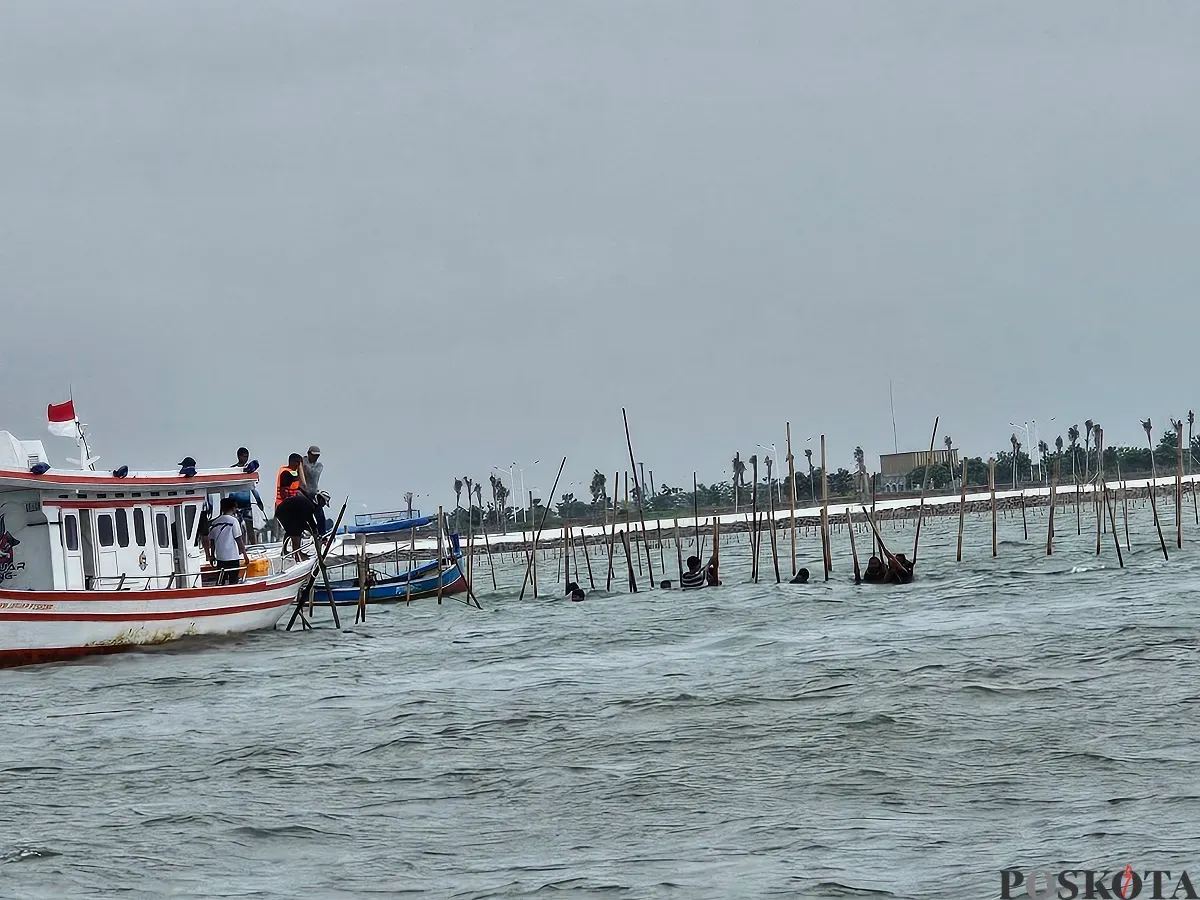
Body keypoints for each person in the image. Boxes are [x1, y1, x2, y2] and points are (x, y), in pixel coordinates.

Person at [204, 497, 251, 585]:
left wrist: (212, 555)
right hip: (232, 557)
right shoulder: (234, 521)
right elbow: (239, 539)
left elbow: (212, 542)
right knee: (233, 581)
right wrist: (245, 555)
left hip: (220, 557)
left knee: (220, 581)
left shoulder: (215, 522)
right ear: (234, 508)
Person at [274, 478, 322, 559]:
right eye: (323, 503)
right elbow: (310, 521)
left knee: (292, 529)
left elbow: (308, 522)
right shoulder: (311, 506)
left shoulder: (309, 502)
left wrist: (314, 531)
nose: (323, 505)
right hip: (284, 511)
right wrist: (315, 532)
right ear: (320, 500)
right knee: (296, 531)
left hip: (283, 511)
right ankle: (297, 554)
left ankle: (292, 551)